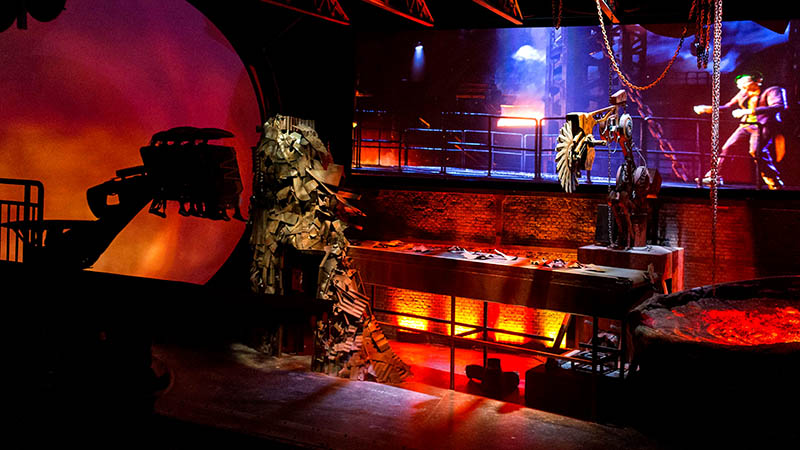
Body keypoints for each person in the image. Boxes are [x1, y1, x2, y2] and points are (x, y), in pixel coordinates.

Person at [694, 72, 786, 190]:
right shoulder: (743, 93)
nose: (741, 87)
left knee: (755, 152)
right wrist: (709, 109)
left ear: (757, 81)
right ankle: (714, 177)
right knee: (728, 147)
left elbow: (778, 106)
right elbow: (728, 107)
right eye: (739, 84)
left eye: (744, 83)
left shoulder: (772, 90)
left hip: (763, 125)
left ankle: (773, 180)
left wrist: (749, 111)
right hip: (746, 125)